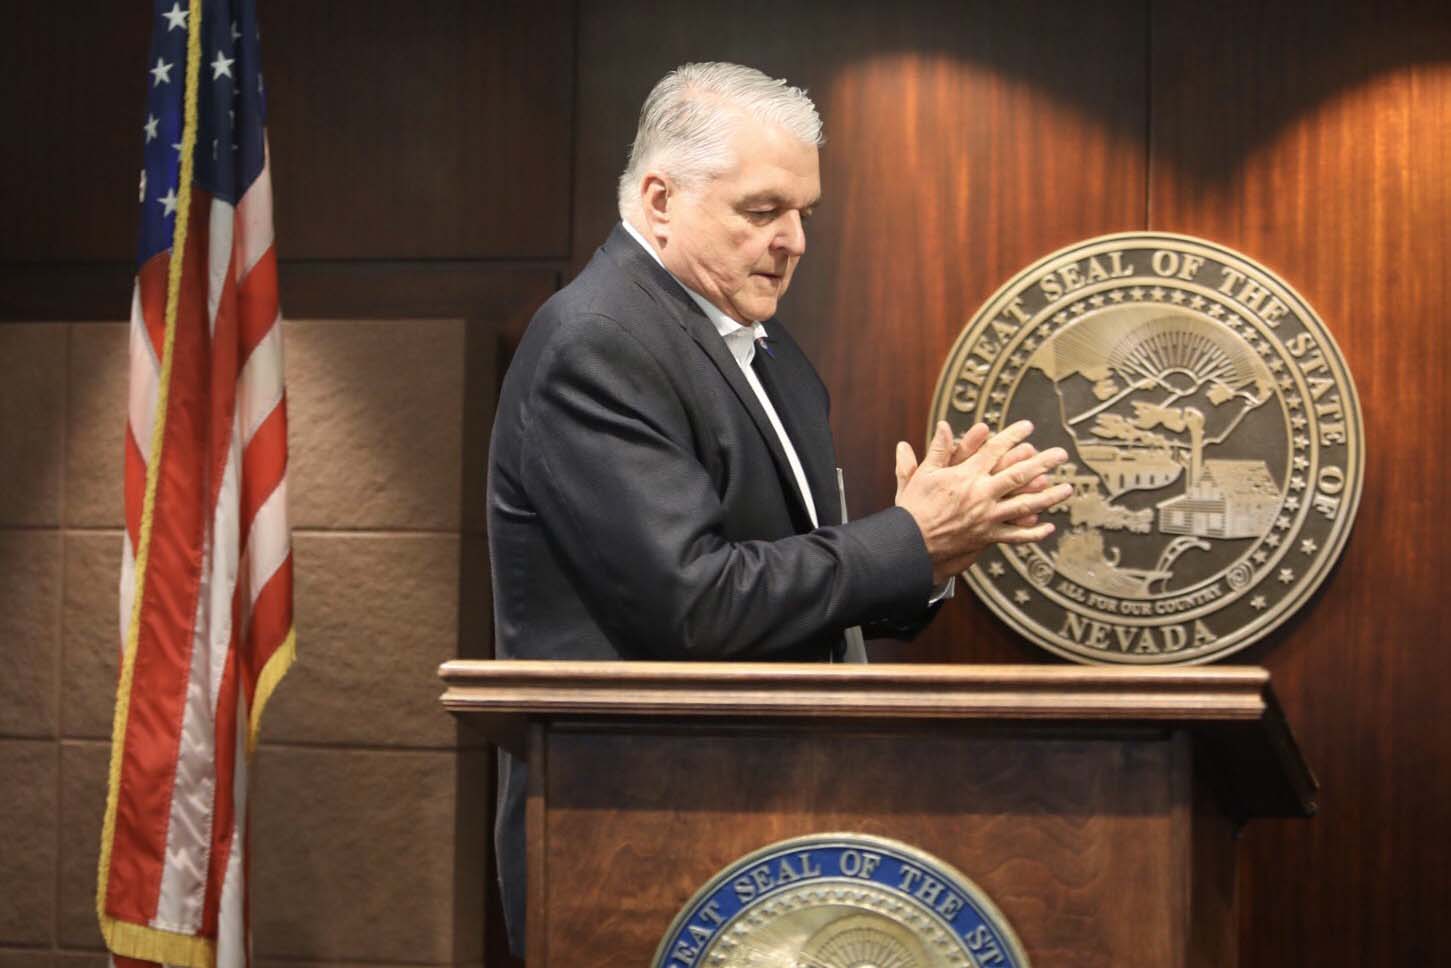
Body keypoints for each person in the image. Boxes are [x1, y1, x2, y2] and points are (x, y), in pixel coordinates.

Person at [485, 61, 1072, 954]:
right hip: (629, 829)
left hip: (767, 817)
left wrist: (929, 552)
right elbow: (696, 606)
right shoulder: (597, 342)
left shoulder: (767, 350)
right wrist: (903, 540)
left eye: (803, 213)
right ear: (659, 200)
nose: (793, 241)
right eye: (762, 211)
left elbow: (796, 587)